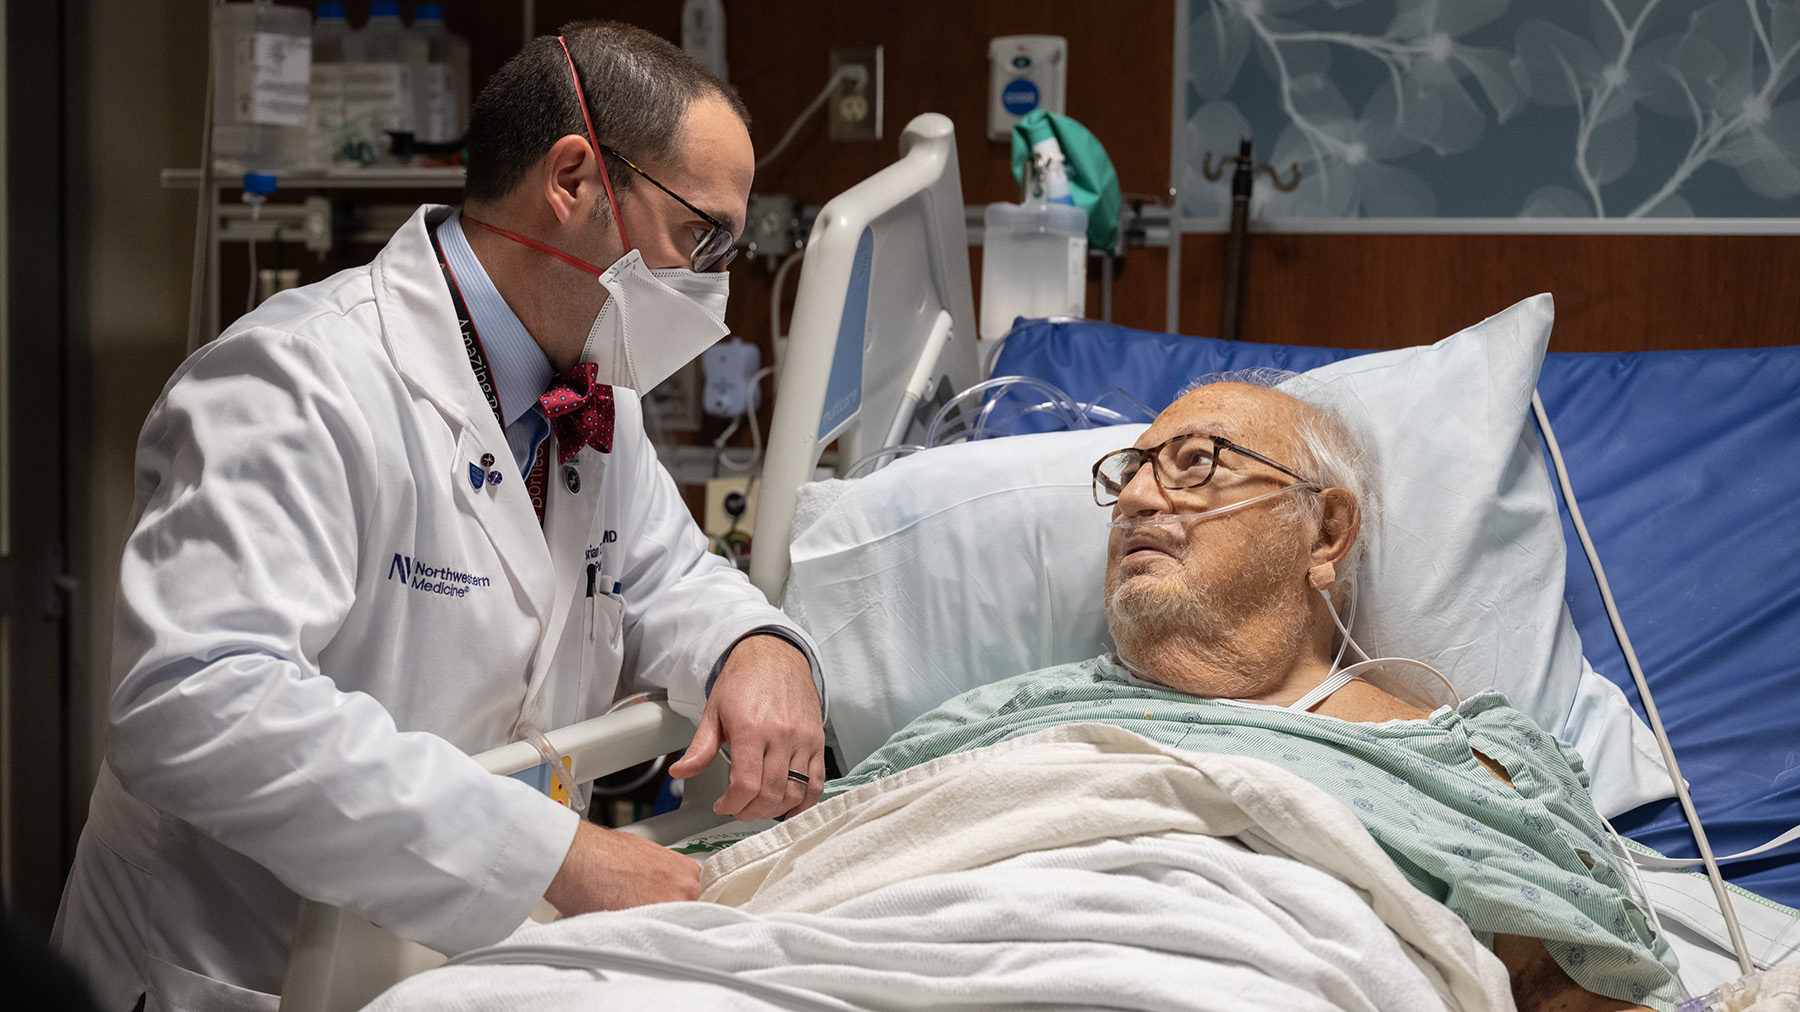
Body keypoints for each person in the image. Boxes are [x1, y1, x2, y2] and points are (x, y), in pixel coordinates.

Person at [53, 21, 825, 1009]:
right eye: (700, 234)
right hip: (237, 969)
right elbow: (197, 700)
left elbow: (665, 575)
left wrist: (756, 645)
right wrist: (550, 854)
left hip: (445, 970)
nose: (714, 283)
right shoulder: (298, 380)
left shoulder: (594, 389)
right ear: (576, 178)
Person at [827, 379, 1684, 1011]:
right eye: (1128, 473)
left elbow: (1565, 987)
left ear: (1327, 531)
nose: (1131, 498)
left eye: (1194, 463)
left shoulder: (1457, 760)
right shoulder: (1008, 717)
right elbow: (819, 855)